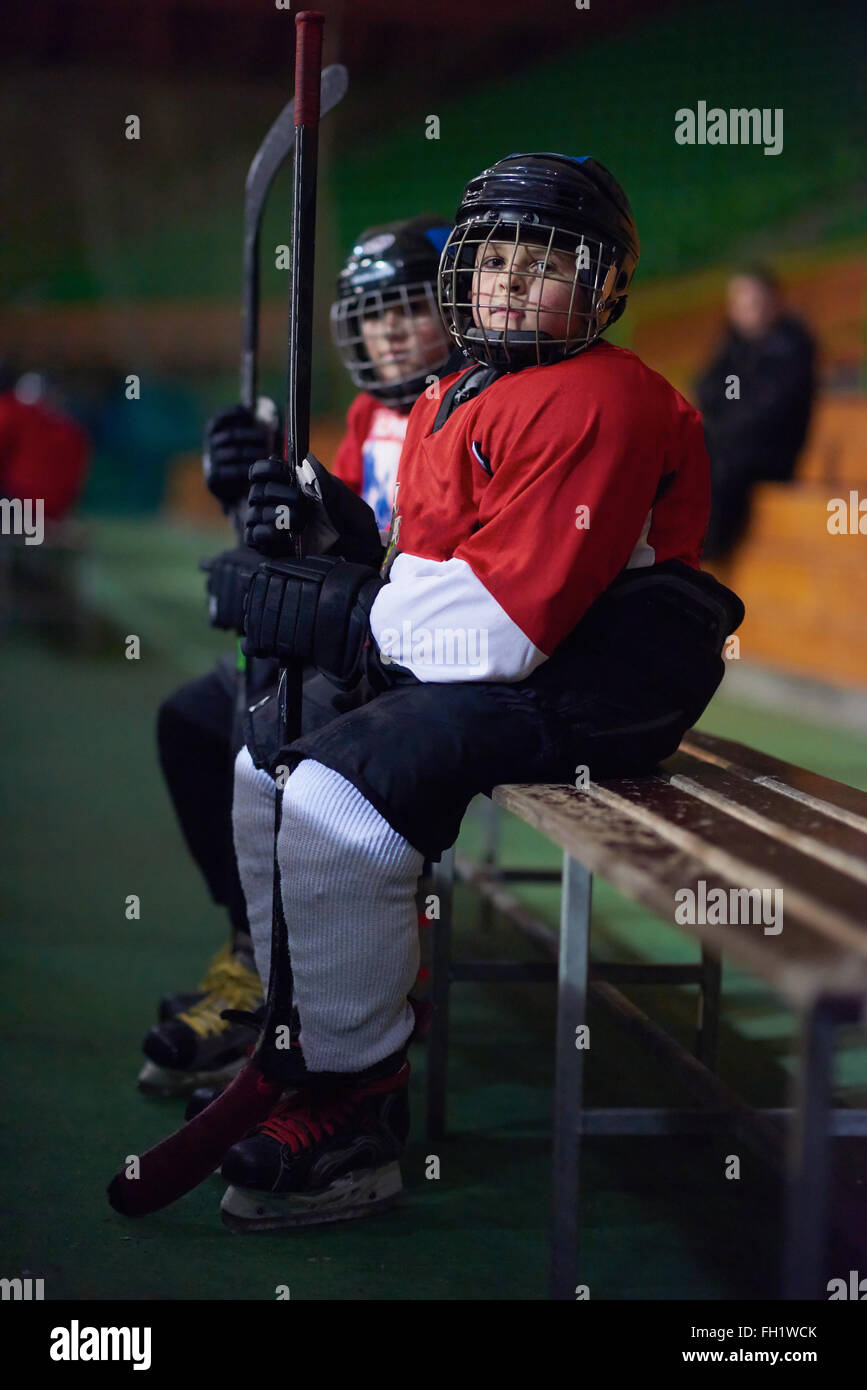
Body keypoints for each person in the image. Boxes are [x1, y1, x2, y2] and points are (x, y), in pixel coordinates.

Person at [220, 153, 745, 1232]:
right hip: (531, 657)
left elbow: (499, 634)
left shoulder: (596, 395)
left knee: (331, 800)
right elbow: (430, 575)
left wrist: (336, 612)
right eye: (494, 256)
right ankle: (305, 1029)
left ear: (604, 287)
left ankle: (356, 1109)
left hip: (606, 681)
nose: (509, 280)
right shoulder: (464, 387)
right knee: (263, 763)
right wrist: (318, 533)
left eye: (545, 261)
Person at [139, 216, 457, 1097]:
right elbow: (319, 543)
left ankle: (307, 994)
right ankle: (253, 955)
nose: (387, 331)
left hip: (404, 659)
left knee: (270, 743)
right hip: (346, 643)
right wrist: (249, 496)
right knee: (195, 719)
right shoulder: (365, 415)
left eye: (408, 308)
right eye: (369, 315)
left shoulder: (461, 405)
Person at [695, 266, 816, 561]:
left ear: (775, 302)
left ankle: (707, 550)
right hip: (735, 445)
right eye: (739, 304)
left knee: (720, 458)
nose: (747, 311)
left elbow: (768, 409)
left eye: (754, 303)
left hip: (771, 454)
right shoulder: (734, 346)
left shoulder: (790, 347)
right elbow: (709, 389)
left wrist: (726, 415)